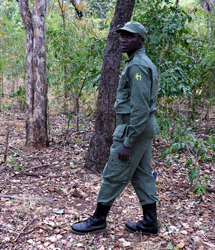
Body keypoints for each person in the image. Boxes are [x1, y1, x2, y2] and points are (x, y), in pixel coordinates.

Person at [71, 21, 160, 236]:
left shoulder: (138, 66)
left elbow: (139, 108)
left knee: (113, 174)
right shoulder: (138, 62)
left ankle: (98, 219)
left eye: (129, 36)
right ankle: (150, 223)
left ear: (140, 39)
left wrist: (128, 142)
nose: (123, 39)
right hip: (142, 129)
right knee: (142, 175)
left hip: (134, 130)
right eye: (122, 35)